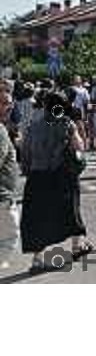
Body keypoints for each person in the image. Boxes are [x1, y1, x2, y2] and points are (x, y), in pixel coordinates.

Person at [20, 91, 93, 274]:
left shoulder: (33, 126)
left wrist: (29, 171)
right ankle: (77, 247)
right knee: (71, 210)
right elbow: (79, 147)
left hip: (37, 177)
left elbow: (25, 153)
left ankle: (37, 260)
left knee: (37, 218)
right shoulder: (66, 124)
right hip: (62, 176)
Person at [0, 88, 19, 270]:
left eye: (10, 102)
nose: (10, 107)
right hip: (2, 198)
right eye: (4, 103)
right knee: (8, 241)